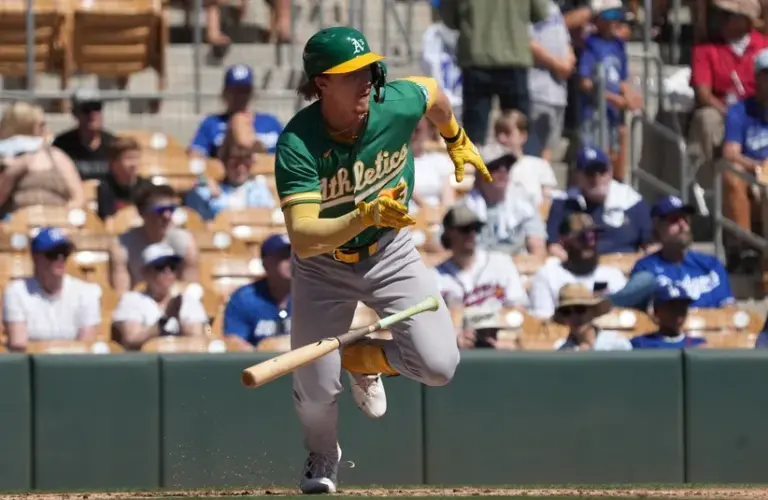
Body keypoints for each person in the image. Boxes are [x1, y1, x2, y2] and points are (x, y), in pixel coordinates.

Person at [274, 26, 491, 493]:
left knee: (439, 366)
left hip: (390, 251)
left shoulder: (393, 102)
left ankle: (364, 357)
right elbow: (305, 237)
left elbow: (432, 92)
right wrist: (362, 214)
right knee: (314, 392)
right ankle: (322, 454)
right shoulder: (298, 143)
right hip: (323, 265)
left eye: (370, 68)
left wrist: (454, 136)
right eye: (354, 73)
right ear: (322, 83)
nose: (368, 79)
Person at [439, 0, 549, 145]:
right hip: (513, 57)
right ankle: (520, 164)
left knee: (475, 134)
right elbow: (541, 12)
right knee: (518, 130)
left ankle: (475, 166)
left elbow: (449, 19)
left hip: (476, 57)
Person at [688, 0, 767, 190]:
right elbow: (704, 95)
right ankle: (713, 187)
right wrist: (731, 115)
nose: (719, 19)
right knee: (707, 119)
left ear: (745, 20)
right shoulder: (705, 49)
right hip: (723, 110)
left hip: (759, 109)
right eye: (720, 13)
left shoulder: (763, 46)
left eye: (728, 15)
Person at [433, 204, 528, 349]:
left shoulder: (501, 262)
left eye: (475, 228)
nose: (471, 234)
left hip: (499, 344)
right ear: (449, 233)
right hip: (457, 351)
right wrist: (455, 340)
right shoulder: (434, 276)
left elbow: (518, 310)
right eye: (465, 229)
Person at [546, 145, 652, 259]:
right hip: (579, 269)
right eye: (590, 173)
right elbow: (553, 245)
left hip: (626, 267)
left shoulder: (631, 200)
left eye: (602, 171)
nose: (597, 178)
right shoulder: (563, 203)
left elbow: (651, 245)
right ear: (578, 176)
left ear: (610, 172)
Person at [3, 228, 100, 351]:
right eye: (53, 253)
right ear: (36, 258)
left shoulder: (87, 292)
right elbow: (19, 345)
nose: (60, 259)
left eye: (64, 253)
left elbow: (86, 347)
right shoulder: (16, 292)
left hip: (75, 367)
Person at [577, 0, 643, 181]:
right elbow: (585, 82)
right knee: (594, 157)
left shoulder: (618, 45)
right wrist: (612, 98)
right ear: (597, 19)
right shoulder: (590, 45)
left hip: (614, 114)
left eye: (617, 15)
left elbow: (621, 79)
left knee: (616, 152)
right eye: (609, 15)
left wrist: (630, 96)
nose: (614, 20)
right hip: (595, 113)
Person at [630, 196, 734, 307]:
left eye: (685, 219)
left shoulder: (711, 265)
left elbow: (728, 308)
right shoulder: (645, 269)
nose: (683, 226)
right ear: (657, 228)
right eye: (674, 219)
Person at [111, 243, 208, 350]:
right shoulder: (131, 300)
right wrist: (164, 320)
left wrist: (179, 318)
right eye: (160, 267)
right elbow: (132, 339)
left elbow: (198, 339)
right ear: (145, 272)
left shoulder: (187, 299)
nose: (168, 272)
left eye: (172, 267)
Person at [529, 212, 627, 318]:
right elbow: (543, 320)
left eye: (594, 236)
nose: (590, 243)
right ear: (564, 242)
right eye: (583, 237)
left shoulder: (613, 276)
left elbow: (624, 317)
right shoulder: (548, 275)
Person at [721, 47, 768, 268]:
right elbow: (730, 152)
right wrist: (758, 165)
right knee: (731, 173)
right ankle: (745, 245)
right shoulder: (740, 110)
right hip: (753, 174)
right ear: (757, 78)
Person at [0, 101, 86, 220]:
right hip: (16, 227)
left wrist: (65, 217)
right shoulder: (4, 158)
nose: (46, 130)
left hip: (57, 225)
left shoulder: (57, 157)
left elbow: (78, 197)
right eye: (40, 125)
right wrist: (11, 173)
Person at [109, 184, 199, 293]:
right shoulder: (122, 246)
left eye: (171, 209)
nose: (167, 216)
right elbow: (121, 294)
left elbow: (189, 291)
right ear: (142, 213)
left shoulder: (185, 243)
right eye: (160, 210)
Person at [184, 117, 276, 221]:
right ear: (224, 159)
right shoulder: (205, 191)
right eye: (235, 158)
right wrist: (215, 195)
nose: (241, 166)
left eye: (246, 158)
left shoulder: (259, 191)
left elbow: (269, 221)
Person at [463, 146, 548, 256]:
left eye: (507, 166)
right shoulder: (465, 207)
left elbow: (537, 247)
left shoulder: (524, 205)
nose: (502, 171)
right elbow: (442, 244)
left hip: (516, 267)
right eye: (495, 167)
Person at [188, 65, 284, 157]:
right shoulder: (211, 123)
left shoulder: (271, 122)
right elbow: (196, 155)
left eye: (244, 91)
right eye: (234, 91)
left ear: (252, 93)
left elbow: (289, 155)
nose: (240, 96)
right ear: (225, 93)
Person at [224, 234, 292, 350]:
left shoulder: (312, 295)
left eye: (295, 256)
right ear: (265, 263)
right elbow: (234, 340)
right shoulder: (244, 298)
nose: (291, 261)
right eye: (283, 256)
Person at [529, 0, 576, 161]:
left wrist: (569, 60)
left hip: (558, 93)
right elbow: (527, 41)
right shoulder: (528, 5)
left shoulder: (554, 7)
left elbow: (566, 41)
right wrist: (557, 64)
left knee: (547, 150)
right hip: (536, 90)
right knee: (532, 153)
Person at [487, 111, 559, 205]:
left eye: (507, 133)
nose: (501, 138)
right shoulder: (489, 167)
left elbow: (547, 203)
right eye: (498, 133)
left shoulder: (540, 166)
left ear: (523, 136)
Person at [52, 88, 116, 182]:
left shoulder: (113, 144)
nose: (92, 114)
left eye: (96, 108)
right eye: (86, 110)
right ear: (75, 113)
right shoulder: (61, 145)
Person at [553, 283, 632, 350]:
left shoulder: (616, 345)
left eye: (580, 309)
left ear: (593, 312)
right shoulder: (562, 351)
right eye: (566, 312)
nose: (574, 316)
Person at [630, 284, 707, 349]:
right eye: (672, 307)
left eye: (682, 306)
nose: (678, 312)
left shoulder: (696, 344)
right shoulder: (641, 344)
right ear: (657, 312)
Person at [96, 136, 151, 223]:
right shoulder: (105, 187)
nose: (134, 164)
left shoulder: (147, 187)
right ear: (113, 163)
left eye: (136, 158)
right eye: (129, 158)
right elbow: (107, 220)